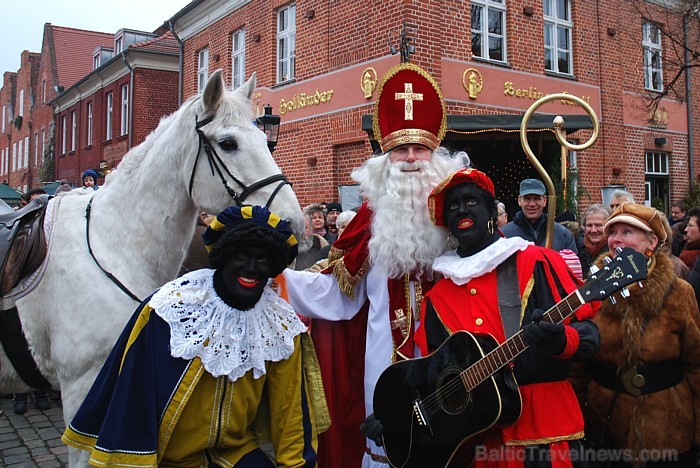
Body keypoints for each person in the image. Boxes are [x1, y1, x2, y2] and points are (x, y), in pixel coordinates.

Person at [282, 62, 464, 467]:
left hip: (452, 364)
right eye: (401, 149)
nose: (412, 159)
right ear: (385, 158)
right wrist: (276, 278)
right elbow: (336, 293)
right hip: (383, 368)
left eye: (421, 149)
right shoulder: (369, 219)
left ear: (436, 157)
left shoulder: (459, 213)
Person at [62, 205, 324, 467]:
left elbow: (291, 412)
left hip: (235, 452)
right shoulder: (171, 308)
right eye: (242, 256)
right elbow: (134, 395)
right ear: (225, 256)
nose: (252, 268)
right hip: (169, 457)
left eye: (263, 260)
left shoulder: (280, 326)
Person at [397, 168, 598, 464]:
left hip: (546, 435)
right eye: (453, 206)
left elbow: (590, 337)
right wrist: (400, 415)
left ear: (493, 210)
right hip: (478, 443)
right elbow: (432, 376)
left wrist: (560, 340)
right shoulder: (438, 296)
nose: (462, 210)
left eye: (471, 201)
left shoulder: (536, 261)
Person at [574, 202, 700, 465]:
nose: (616, 239)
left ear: (651, 242)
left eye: (627, 232)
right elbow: (579, 364)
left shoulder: (679, 292)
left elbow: (695, 364)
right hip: (606, 425)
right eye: (614, 232)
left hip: (666, 426)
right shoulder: (592, 290)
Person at [500, 178, 578, 253]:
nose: (532, 204)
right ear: (519, 200)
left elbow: (570, 265)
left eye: (537, 199)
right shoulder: (505, 234)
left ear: (544, 201)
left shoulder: (563, 235)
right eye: (527, 199)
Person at [577, 203, 611, 277]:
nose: (593, 230)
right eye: (589, 225)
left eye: (598, 225)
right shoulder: (578, 249)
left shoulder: (613, 250)